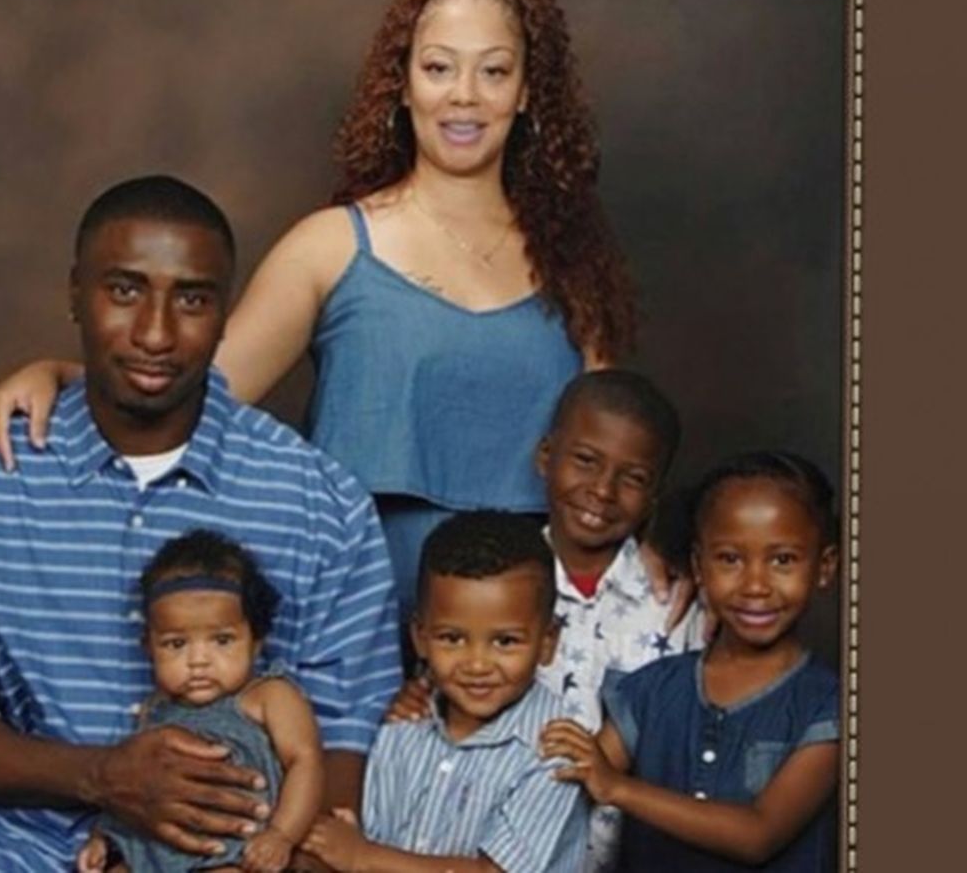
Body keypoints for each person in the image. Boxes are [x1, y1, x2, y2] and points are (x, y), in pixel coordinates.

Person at [0, 0, 691, 648]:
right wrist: (57, 374)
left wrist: (647, 559)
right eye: (438, 67)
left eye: (493, 71)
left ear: (527, 92)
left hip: (529, 634)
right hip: (358, 614)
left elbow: (612, 451)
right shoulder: (331, 246)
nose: (464, 94)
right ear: (403, 83)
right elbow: (195, 390)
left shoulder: (573, 265)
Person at [0, 174, 401, 873]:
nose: (155, 333)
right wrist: (100, 776)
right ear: (75, 294)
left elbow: (344, 736)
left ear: (226, 313)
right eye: (124, 291)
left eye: (193, 300)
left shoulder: (319, 502)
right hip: (9, 852)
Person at [387, 369, 706, 872]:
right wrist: (418, 702)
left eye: (632, 478)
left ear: (654, 497)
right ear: (544, 456)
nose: (602, 490)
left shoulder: (677, 606)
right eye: (585, 461)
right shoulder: (490, 580)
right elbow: (446, 688)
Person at [541, 450, 841, 871]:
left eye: (783, 560)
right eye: (730, 559)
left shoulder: (828, 704)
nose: (755, 585)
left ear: (825, 567)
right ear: (699, 566)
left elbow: (759, 835)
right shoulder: (651, 689)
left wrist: (617, 788)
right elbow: (565, 788)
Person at [301, 511, 590, 873]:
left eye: (505, 641)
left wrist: (362, 857)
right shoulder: (403, 725)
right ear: (420, 637)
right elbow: (370, 835)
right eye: (452, 638)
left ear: (548, 642)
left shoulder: (554, 750)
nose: (477, 664)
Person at [77, 530, 322, 873]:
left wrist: (282, 835)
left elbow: (305, 761)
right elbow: (128, 785)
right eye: (177, 644)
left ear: (256, 641)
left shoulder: (268, 696)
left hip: (231, 851)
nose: (198, 661)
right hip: (150, 852)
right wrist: (103, 838)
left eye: (221, 640)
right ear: (149, 647)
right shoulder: (155, 709)